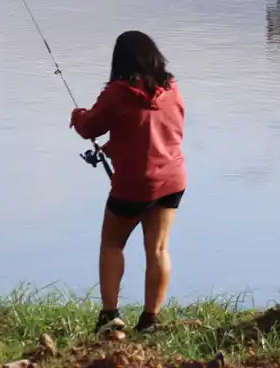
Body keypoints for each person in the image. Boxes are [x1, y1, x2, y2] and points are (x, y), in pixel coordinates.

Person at [70, 31, 186, 335]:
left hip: (134, 185)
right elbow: (159, 131)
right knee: (159, 249)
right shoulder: (172, 89)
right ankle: (150, 319)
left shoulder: (118, 92)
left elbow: (89, 126)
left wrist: (77, 114)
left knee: (112, 244)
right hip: (172, 179)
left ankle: (110, 315)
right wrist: (113, 147)